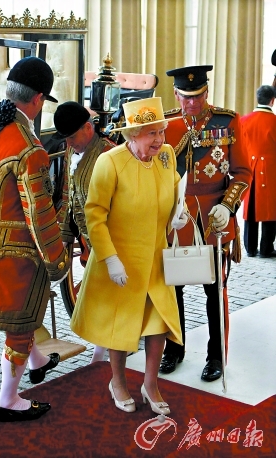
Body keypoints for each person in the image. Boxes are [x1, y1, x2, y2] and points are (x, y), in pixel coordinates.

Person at [70, 97, 185, 414]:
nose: (160, 140)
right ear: (132, 134)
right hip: (121, 260)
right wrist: (109, 258)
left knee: (158, 323)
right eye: (152, 134)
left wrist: (181, 210)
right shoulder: (110, 163)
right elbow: (94, 215)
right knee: (121, 326)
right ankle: (117, 381)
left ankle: (150, 384)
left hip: (157, 257)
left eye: (161, 131)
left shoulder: (166, 157)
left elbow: (177, 189)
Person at [0, 56, 70, 422]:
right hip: (13, 253)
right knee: (21, 322)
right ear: (39, 99)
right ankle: (9, 400)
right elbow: (40, 215)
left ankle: (38, 361)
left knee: (25, 319)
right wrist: (57, 260)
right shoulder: (29, 149)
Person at [160, 65, 252, 381]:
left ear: (207, 91)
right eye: (186, 97)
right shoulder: (167, 125)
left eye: (198, 96)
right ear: (176, 95)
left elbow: (242, 172)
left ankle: (216, 356)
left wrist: (229, 206)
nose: (192, 104)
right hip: (178, 219)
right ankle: (174, 347)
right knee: (174, 288)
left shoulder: (226, 121)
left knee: (215, 291)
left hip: (215, 218)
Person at [54, 101, 116, 363]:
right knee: (101, 297)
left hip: (110, 240)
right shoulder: (73, 151)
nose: (68, 144)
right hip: (87, 240)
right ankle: (103, 349)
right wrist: (63, 237)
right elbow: (68, 195)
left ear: (88, 129)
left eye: (71, 137)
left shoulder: (110, 154)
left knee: (107, 296)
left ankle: (104, 351)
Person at [241, 85, 276, 258]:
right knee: (271, 209)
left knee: (251, 208)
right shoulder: (274, 121)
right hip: (271, 170)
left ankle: (250, 247)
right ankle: (266, 248)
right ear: (273, 100)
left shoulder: (243, 120)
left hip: (249, 168)